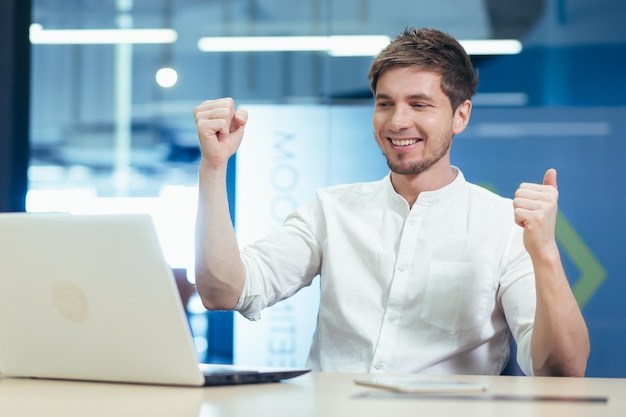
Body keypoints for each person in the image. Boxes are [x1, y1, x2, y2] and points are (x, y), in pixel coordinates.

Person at [193, 27, 590, 376]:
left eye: (419, 104)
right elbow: (225, 292)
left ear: (460, 115)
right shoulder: (330, 212)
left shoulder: (505, 225)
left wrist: (546, 254)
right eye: (385, 103)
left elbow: (560, 369)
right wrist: (214, 168)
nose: (397, 121)